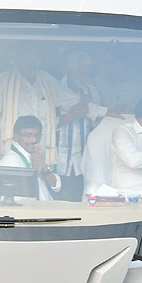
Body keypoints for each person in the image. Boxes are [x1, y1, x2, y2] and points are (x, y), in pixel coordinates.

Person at [0, 46, 104, 166]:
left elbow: (73, 101)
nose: (32, 63)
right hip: (9, 153)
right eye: (28, 58)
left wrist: (106, 112)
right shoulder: (2, 81)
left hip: (40, 153)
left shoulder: (46, 80)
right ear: (18, 58)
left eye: (36, 59)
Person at [54, 50, 104, 200]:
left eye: (88, 69)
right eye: (82, 69)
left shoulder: (92, 91)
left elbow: (96, 123)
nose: (86, 73)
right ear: (71, 69)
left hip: (83, 155)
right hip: (58, 156)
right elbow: (46, 123)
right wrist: (70, 116)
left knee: (82, 197)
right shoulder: (55, 88)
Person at [0, 115, 61, 200]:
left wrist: (44, 169)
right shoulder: (10, 161)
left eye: (37, 135)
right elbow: (11, 199)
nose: (34, 140)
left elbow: (56, 187)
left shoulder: (35, 155)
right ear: (16, 136)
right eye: (28, 135)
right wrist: (35, 173)